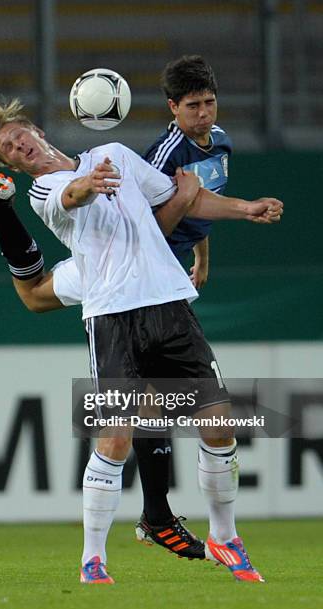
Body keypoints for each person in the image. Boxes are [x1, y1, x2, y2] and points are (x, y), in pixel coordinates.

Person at [0, 100, 281, 584]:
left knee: (219, 425)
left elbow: (182, 200)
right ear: (12, 164)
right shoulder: (44, 189)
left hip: (169, 303)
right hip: (112, 315)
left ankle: (224, 536)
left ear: (37, 131)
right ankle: (93, 557)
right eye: (10, 149)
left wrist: (246, 208)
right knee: (117, 435)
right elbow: (72, 197)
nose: (20, 147)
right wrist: (88, 185)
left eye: (21, 136)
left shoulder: (115, 152)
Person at [133, 54, 235, 555]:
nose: (204, 114)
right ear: (173, 107)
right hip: (146, 285)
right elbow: (140, 228)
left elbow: (201, 206)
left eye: (210, 102)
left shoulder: (221, 143)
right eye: (192, 105)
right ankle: (161, 519)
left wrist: (202, 253)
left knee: (153, 399)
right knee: (180, 401)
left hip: (173, 281)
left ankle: (156, 516)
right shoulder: (164, 152)